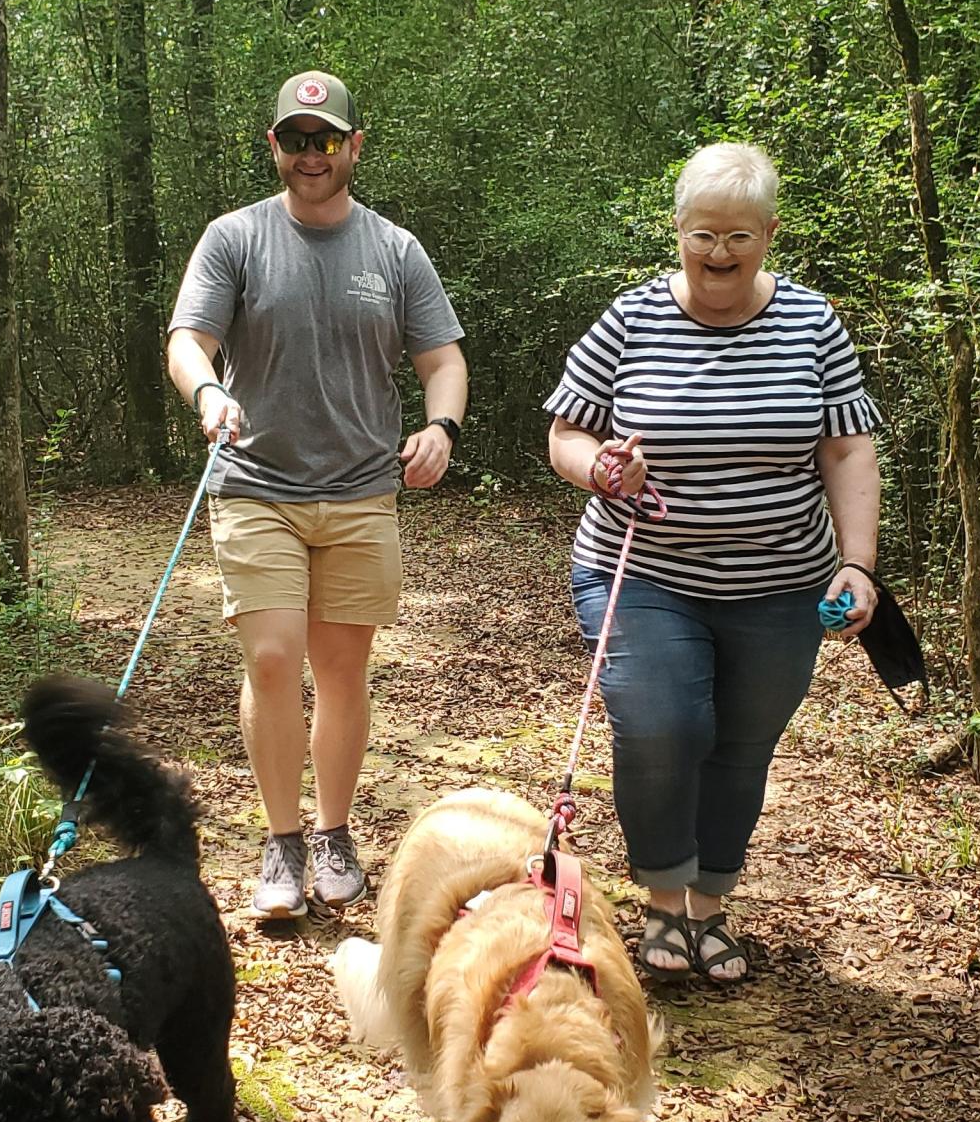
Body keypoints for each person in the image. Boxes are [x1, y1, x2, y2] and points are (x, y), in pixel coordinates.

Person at [545, 142, 881, 984]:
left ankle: (709, 906)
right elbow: (565, 434)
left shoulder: (812, 322)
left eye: (738, 235)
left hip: (780, 584)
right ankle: (663, 902)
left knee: (741, 745)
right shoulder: (630, 319)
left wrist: (859, 563)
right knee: (664, 727)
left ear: (769, 232)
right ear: (679, 231)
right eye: (703, 235)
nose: (720, 252)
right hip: (644, 571)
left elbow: (847, 450)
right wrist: (601, 468)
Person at [167, 71, 468, 920]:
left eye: (326, 139)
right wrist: (206, 393)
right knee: (270, 660)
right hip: (255, 482)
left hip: (361, 491)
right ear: (274, 146)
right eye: (295, 139)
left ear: (353, 147)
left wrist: (441, 428)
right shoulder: (233, 239)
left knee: (341, 671)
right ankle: (280, 841)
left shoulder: (395, 250)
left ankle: (334, 834)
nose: (310, 154)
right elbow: (190, 339)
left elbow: (442, 358)